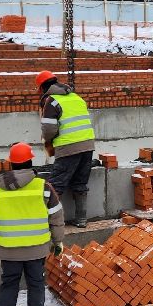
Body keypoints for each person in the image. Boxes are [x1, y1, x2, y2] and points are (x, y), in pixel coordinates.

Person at [0, 142, 65, 306]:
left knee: (9, 284)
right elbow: (56, 216)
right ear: (30, 162)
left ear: (11, 164)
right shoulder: (43, 187)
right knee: (36, 284)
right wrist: (58, 241)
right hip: (36, 250)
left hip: (8, 250)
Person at [36, 71, 95, 227]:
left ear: (42, 87)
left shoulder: (52, 101)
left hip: (69, 147)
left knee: (56, 185)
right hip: (88, 146)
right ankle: (81, 220)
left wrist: (48, 142)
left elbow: (48, 130)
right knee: (80, 183)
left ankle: (46, 222)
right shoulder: (76, 97)